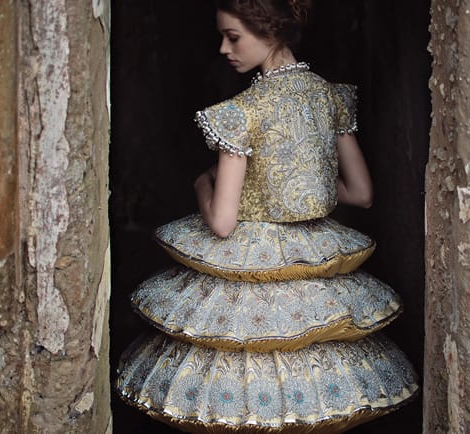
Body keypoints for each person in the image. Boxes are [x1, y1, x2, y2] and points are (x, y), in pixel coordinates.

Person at [116, 1, 418, 432]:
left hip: (252, 258)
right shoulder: (329, 96)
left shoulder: (242, 113)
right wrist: (294, 185)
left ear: (271, 30)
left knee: (243, 397)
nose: (223, 48)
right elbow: (361, 193)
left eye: (233, 37)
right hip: (317, 257)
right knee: (311, 393)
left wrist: (204, 183)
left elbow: (222, 223)